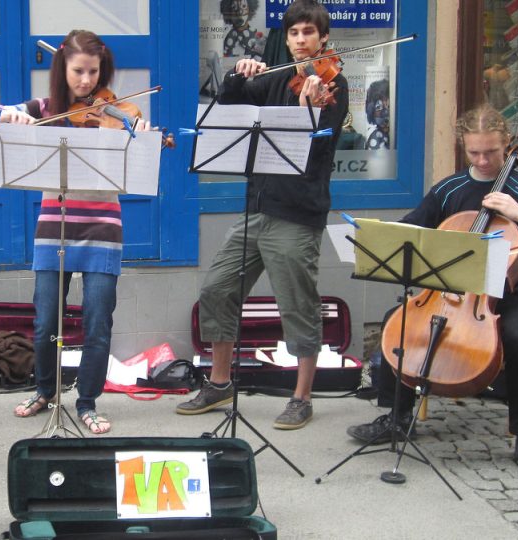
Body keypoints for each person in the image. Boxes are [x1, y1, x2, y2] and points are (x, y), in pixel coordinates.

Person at [346, 104, 518, 477]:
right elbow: (413, 230)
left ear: (507, 145)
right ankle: (397, 416)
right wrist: (384, 235)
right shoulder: (450, 189)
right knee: (401, 320)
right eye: (475, 152)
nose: (484, 160)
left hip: (505, 298)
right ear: (464, 147)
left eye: (491, 151)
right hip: (446, 294)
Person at [176, 0, 348, 430]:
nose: (301, 41)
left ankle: (302, 395)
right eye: (294, 34)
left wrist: (313, 107)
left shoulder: (334, 84)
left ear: (323, 37)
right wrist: (238, 74)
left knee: (297, 305)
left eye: (309, 33)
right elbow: (230, 108)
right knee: (217, 288)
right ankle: (219, 383)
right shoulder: (275, 78)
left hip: (297, 212)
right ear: (286, 38)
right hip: (256, 208)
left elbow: (321, 148)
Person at [0, 29, 152, 435]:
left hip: (103, 229)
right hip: (53, 228)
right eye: (78, 72)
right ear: (63, 69)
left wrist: (140, 135)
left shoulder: (119, 114)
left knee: (97, 323)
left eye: (94, 72)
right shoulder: (45, 108)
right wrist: (11, 115)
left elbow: (139, 149)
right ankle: (44, 390)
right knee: (45, 323)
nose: (87, 82)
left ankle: (88, 401)